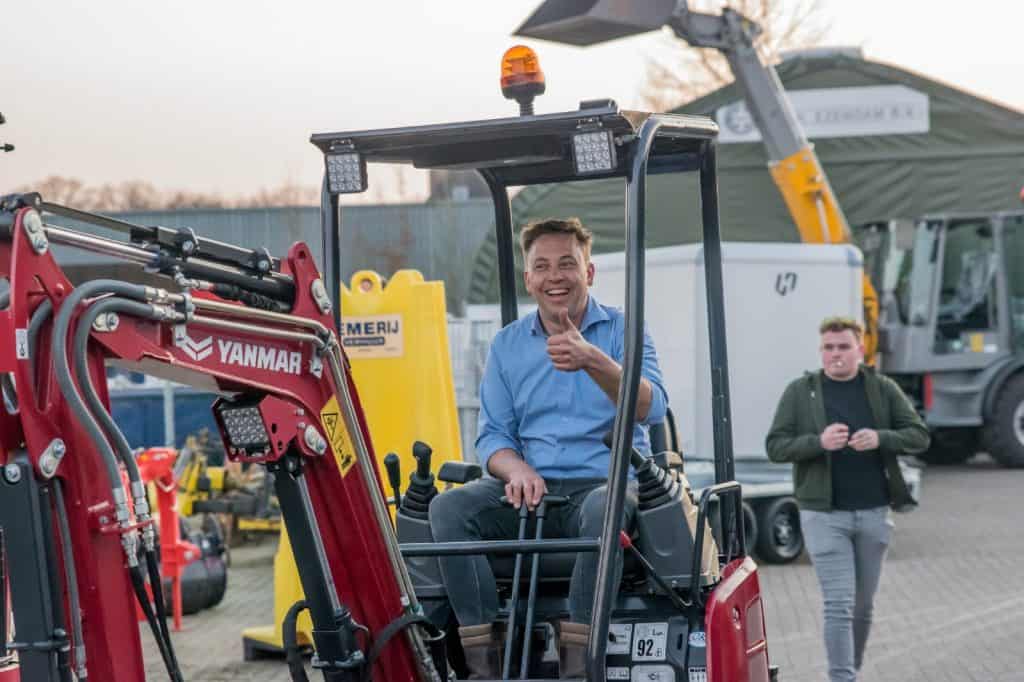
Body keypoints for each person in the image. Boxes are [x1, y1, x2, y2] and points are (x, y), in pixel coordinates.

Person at [429, 217, 668, 678]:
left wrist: (593, 360)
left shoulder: (623, 331)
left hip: (605, 483)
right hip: (533, 491)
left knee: (603, 508)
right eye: (542, 266)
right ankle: (485, 663)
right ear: (528, 279)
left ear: (589, 272)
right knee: (447, 508)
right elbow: (493, 437)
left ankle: (580, 664)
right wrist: (516, 469)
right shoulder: (508, 345)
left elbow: (651, 407)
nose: (554, 276)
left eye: (566, 264)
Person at [765, 316, 929, 682]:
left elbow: (919, 435)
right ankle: (843, 678)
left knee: (862, 607)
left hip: (873, 514)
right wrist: (818, 442)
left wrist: (882, 438)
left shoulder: (882, 388)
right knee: (838, 604)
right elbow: (775, 446)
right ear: (821, 351)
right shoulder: (801, 392)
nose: (835, 354)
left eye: (843, 347)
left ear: (860, 349)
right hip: (824, 517)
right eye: (828, 347)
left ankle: (850, 669)